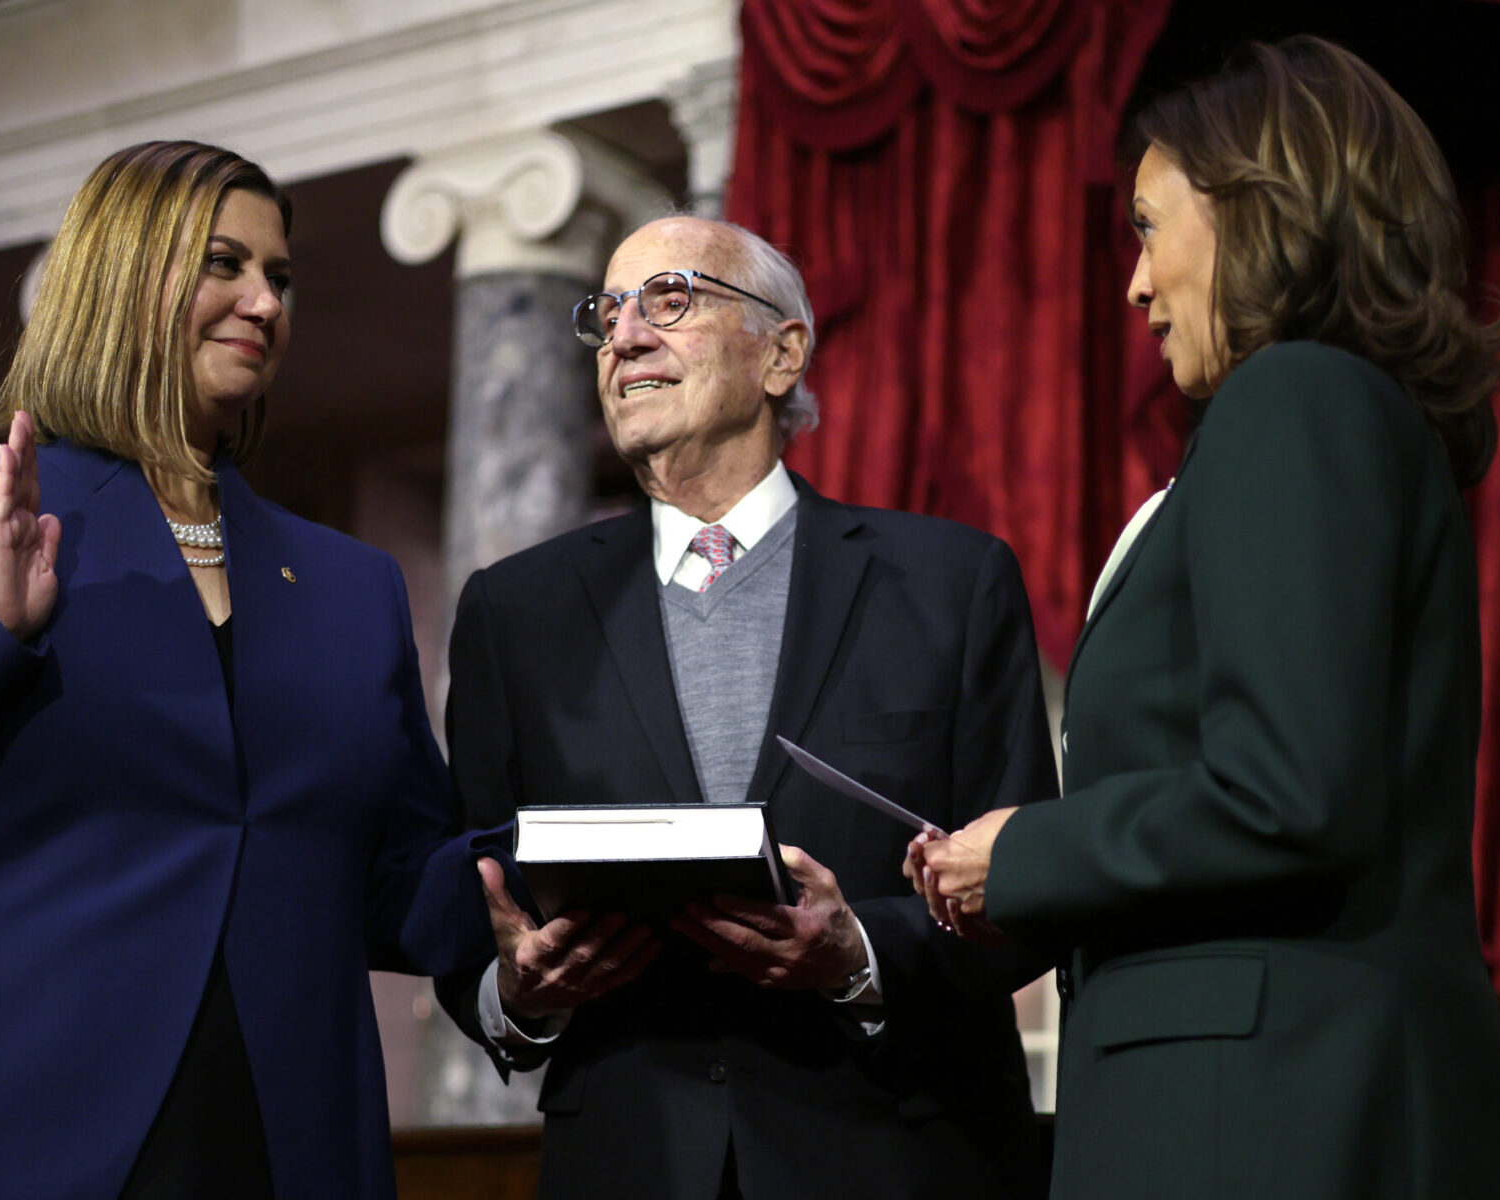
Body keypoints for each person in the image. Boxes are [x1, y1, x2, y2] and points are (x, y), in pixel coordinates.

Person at [0, 141, 494, 1199]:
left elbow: (396, 887)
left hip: (275, 1149)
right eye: (223, 264)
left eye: (279, 278)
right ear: (121, 276)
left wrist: (553, 879)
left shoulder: (348, 586)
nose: (264, 303)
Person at [911, 36, 1500, 1199]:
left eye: (1149, 226)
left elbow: (1286, 793)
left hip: (1261, 1117)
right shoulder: (1334, 414)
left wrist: (1029, 850)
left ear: (1260, 207)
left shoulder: (1293, 398)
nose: (1136, 285)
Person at [433, 215, 1057, 1200]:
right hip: (629, 1162)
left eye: (670, 299)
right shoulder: (515, 611)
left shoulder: (948, 583)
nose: (626, 335)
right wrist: (517, 993)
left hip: (901, 1152)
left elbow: (1029, 888)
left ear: (782, 351)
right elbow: (470, 907)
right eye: (607, 314)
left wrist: (859, 955)